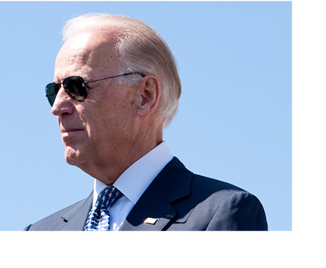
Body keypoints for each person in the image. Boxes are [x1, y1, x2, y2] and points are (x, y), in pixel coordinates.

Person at [25, 13, 268, 231]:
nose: (57, 108)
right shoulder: (39, 233)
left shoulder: (221, 212)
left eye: (76, 87)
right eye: (54, 90)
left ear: (145, 96)